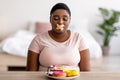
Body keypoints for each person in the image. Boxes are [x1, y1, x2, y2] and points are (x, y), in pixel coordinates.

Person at [26, 3, 90, 71]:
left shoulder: (78, 38)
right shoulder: (38, 39)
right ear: (50, 19)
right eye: (56, 18)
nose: (60, 22)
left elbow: (86, 72)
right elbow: (31, 72)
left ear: (69, 21)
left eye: (65, 19)